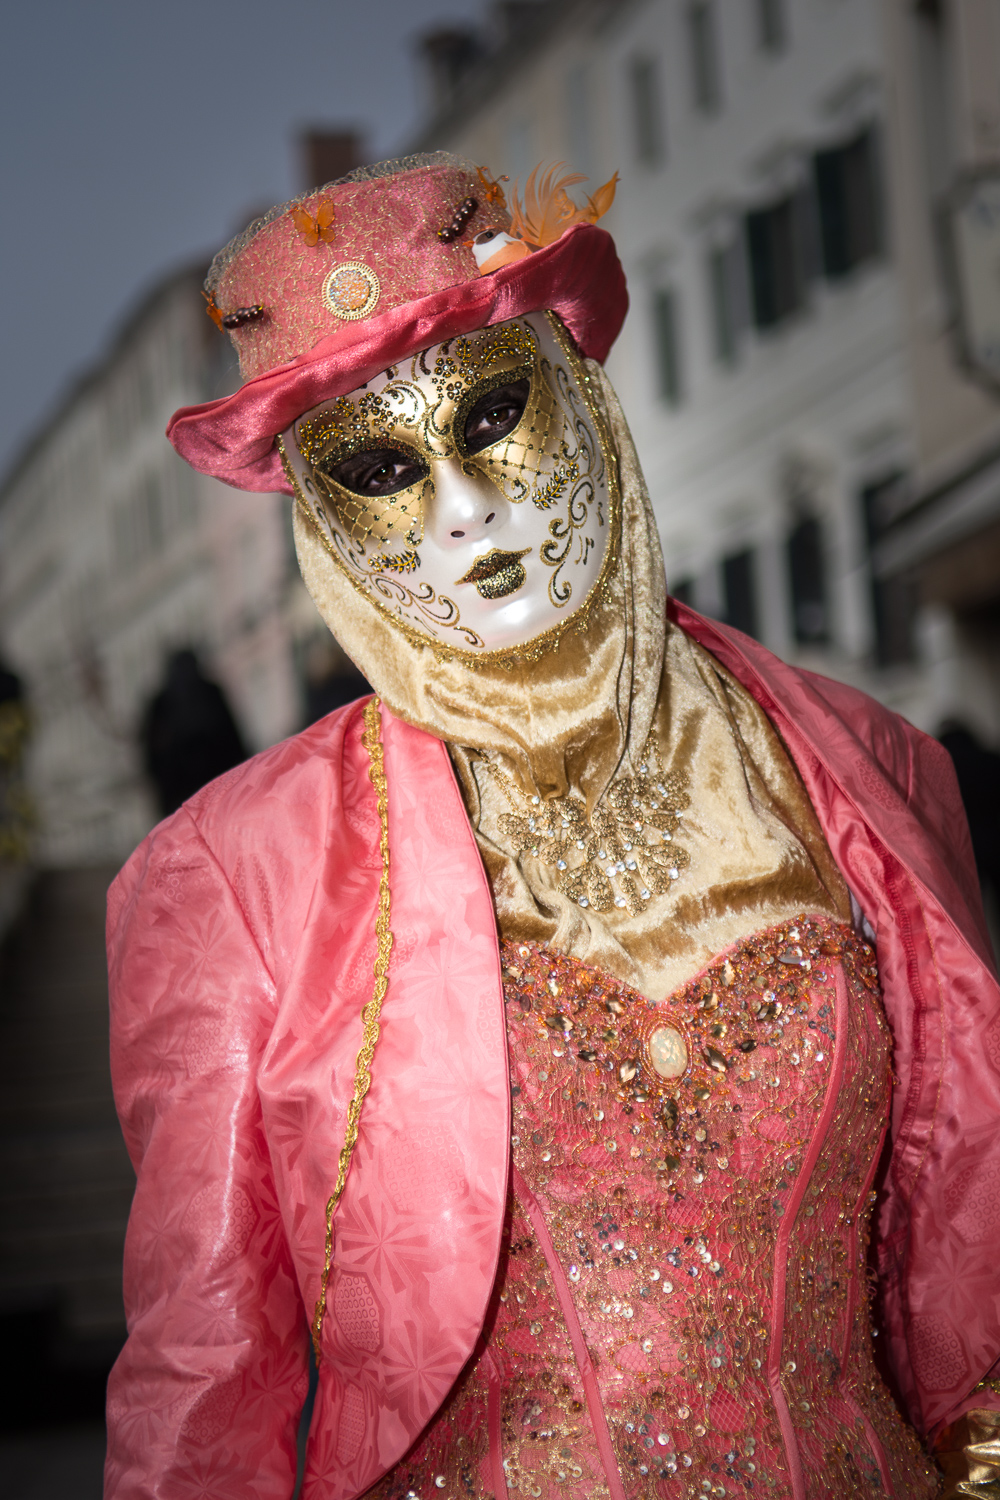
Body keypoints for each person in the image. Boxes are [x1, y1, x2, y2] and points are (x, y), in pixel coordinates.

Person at [105, 154, 1000, 1500]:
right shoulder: (233, 880)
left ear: (578, 399)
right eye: (379, 470)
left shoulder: (871, 771)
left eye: (492, 419)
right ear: (322, 526)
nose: (465, 513)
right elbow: (203, 1379)